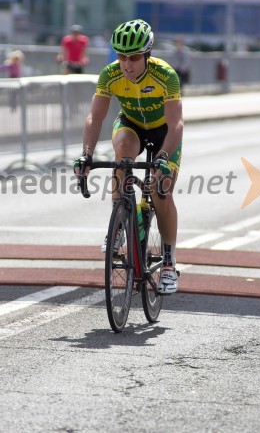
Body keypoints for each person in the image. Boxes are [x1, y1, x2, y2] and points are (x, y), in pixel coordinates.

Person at [74, 19, 183, 295]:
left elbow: (176, 125)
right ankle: (120, 219)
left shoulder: (165, 75)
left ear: (147, 54)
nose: (126, 64)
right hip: (132, 125)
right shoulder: (110, 75)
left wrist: (162, 159)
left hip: (163, 133)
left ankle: (169, 263)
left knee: (162, 193)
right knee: (122, 150)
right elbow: (95, 117)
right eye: (121, 56)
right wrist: (86, 154)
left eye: (133, 57)